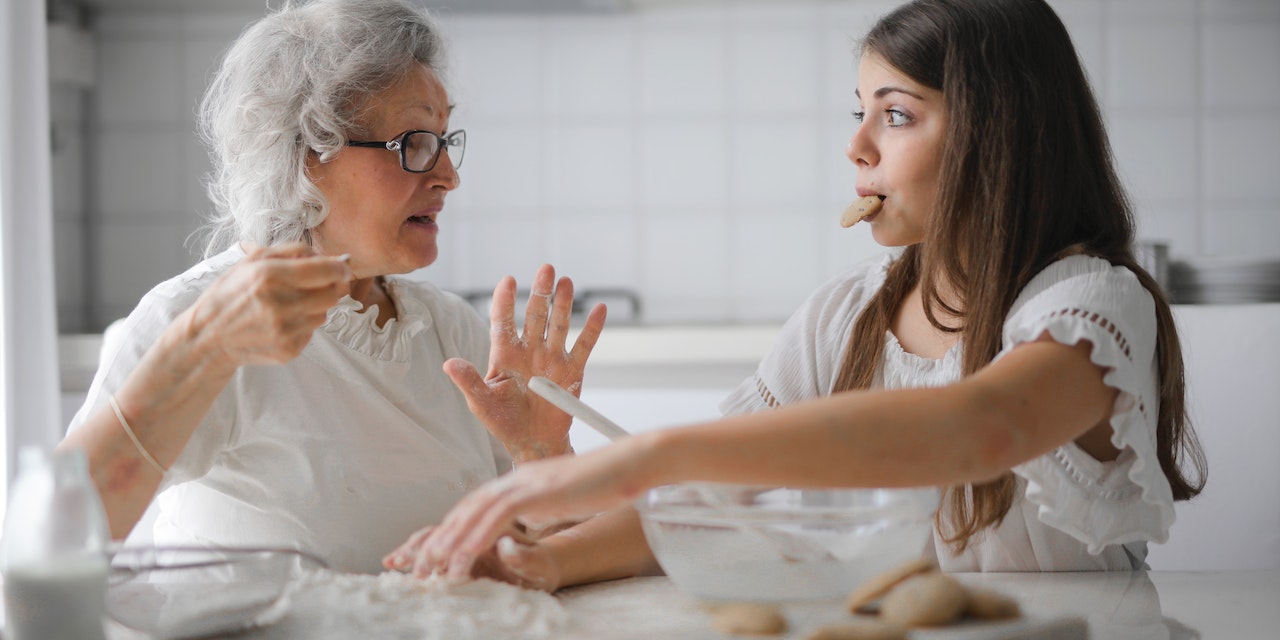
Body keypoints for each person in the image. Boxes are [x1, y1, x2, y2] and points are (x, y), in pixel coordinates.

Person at [385, 0, 1207, 587]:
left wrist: (653, 453)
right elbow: (706, 504)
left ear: (998, 133)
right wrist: (547, 560)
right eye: (860, 112)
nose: (854, 147)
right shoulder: (843, 317)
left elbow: (984, 427)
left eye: (895, 114)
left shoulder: (1093, 307)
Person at [58, 0, 605, 574]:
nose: (448, 175)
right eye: (414, 143)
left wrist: (542, 455)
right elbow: (60, 535)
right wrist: (197, 350)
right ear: (304, 154)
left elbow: (539, 560)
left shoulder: (451, 331)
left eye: (446, 141)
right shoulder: (194, 316)